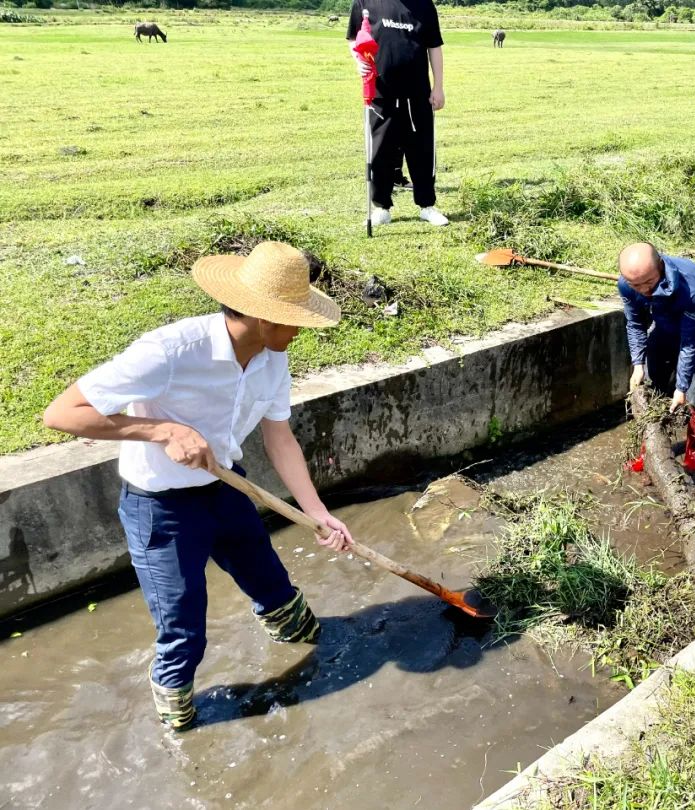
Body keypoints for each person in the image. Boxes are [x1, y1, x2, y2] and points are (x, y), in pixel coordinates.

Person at [43, 241, 355, 731]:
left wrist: (316, 512)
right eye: (295, 320)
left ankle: (312, 649)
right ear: (263, 316)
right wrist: (161, 431)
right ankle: (182, 728)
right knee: (183, 631)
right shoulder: (169, 352)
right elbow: (62, 414)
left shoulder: (272, 358)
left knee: (276, 590)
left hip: (227, 491)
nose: (301, 330)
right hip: (160, 508)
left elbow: (279, 438)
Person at [618, 242, 695, 473]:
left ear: (661, 266)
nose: (644, 290)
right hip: (665, 327)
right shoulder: (626, 285)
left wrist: (681, 387)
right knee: (650, 388)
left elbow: (690, 342)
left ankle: (694, 451)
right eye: (636, 285)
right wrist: (638, 364)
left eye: (649, 282)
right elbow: (635, 323)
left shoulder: (692, 285)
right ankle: (649, 450)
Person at [348, 0, 447, 227]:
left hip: (417, 94)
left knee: (421, 151)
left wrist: (438, 87)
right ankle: (381, 208)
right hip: (380, 93)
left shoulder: (424, 5)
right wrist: (358, 61)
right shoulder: (365, 2)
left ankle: (427, 206)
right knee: (380, 152)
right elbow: (354, 38)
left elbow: (434, 46)